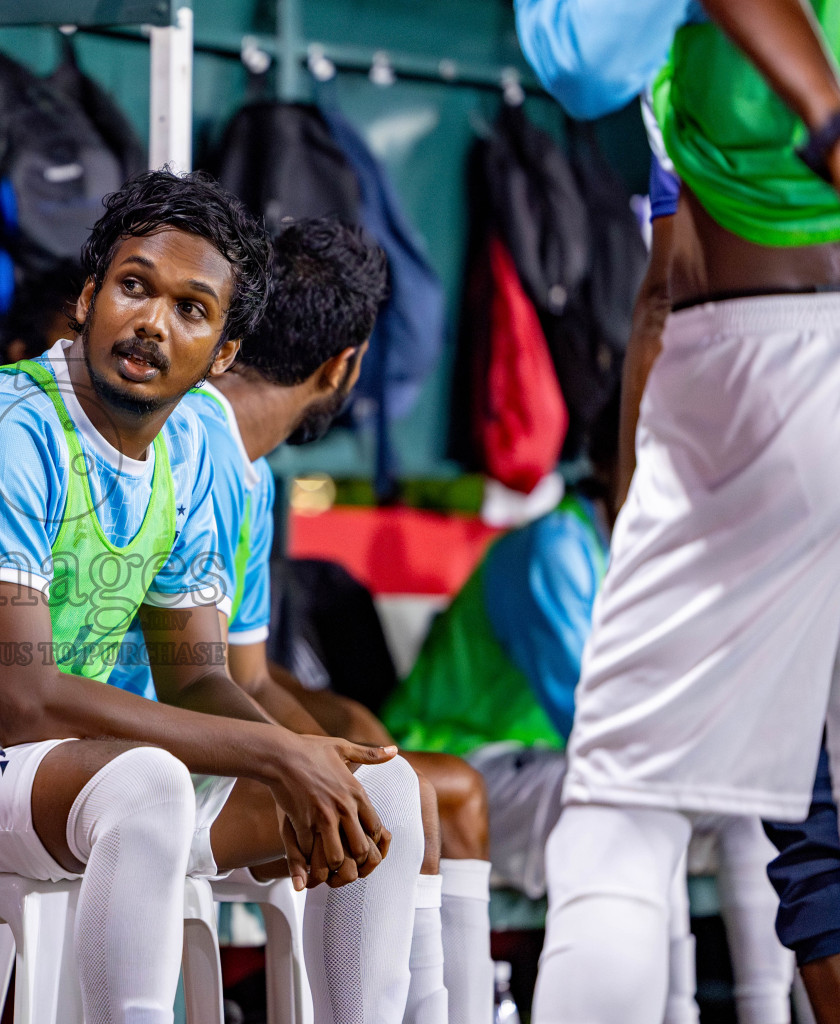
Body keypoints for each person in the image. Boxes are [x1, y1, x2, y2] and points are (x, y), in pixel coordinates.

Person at [0, 170, 428, 1024]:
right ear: (87, 297)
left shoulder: (182, 455)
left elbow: (197, 678)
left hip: (44, 774)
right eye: (134, 285)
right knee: (145, 784)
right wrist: (276, 754)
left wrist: (305, 759)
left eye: (191, 308)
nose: (151, 321)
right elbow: (24, 702)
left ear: (221, 354)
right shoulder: (1, 428)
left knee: (382, 791)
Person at [518, 2, 840, 1021]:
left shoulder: (680, 72)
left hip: (758, 363)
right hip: (761, 370)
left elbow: (575, 58)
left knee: (622, 814)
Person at [106, 217, 496, 1024]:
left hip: (170, 752)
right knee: (387, 799)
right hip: (128, 768)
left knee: (397, 782)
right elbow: (201, 684)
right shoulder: (191, 438)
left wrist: (341, 740)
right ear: (343, 367)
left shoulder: (244, 468)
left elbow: (243, 675)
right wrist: (304, 761)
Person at [383, 395, 796, 1023]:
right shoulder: (555, 547)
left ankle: (766, 1012)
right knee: (646, 794)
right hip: (461, 769)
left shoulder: (664, 562)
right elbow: (601, 728)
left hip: (560, 773)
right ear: (608, 461)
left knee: (751, 799)